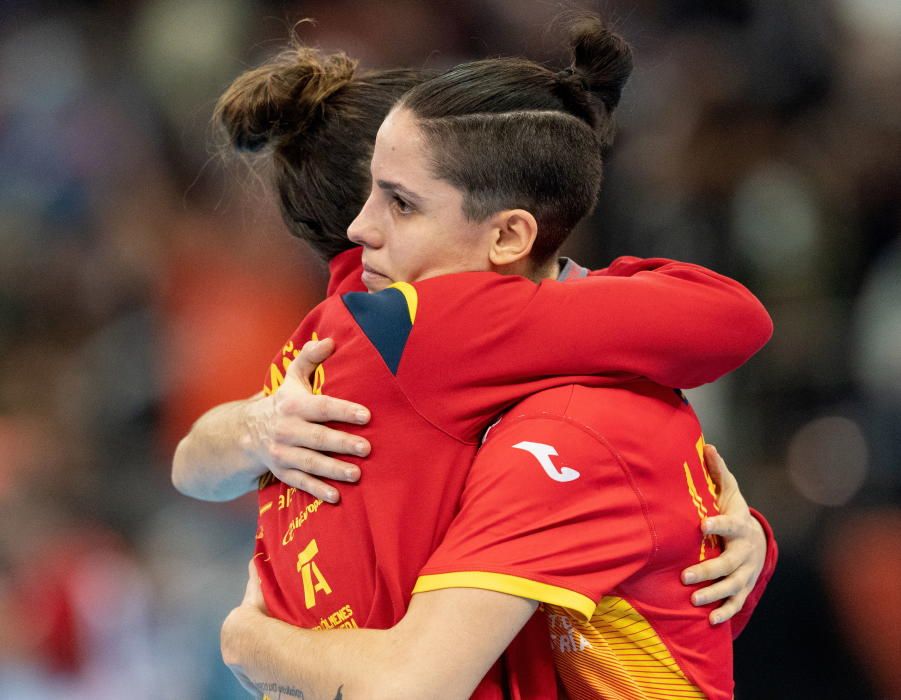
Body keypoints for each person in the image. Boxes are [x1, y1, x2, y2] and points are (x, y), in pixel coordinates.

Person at [176, 17, 775, 699]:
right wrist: (245, 643)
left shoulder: (340, 320)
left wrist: (250, 433)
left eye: (399, 202)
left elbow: (190, 466)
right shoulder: (431, 325)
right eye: (376, 194)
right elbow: (735, 318)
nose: (362, 227)